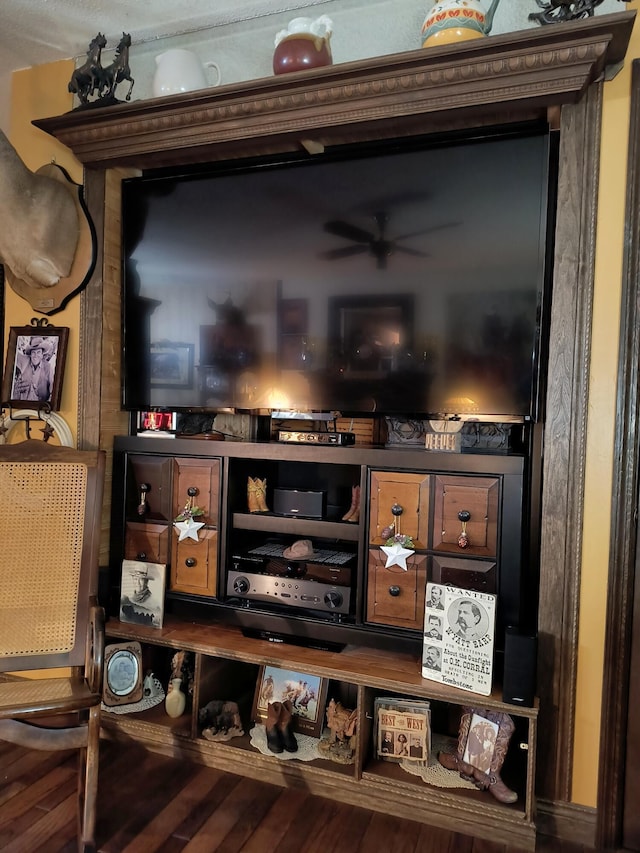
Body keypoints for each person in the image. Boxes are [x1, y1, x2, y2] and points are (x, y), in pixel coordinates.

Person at [12, 335, 53, 402]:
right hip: (22, 406)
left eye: (38, 352)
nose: (35, 355)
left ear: (42, 354)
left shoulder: (48, 368)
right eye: (33, 352)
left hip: (39, 408)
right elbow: (12, 350)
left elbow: (53, 394)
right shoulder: (25, 361)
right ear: (30, 354)